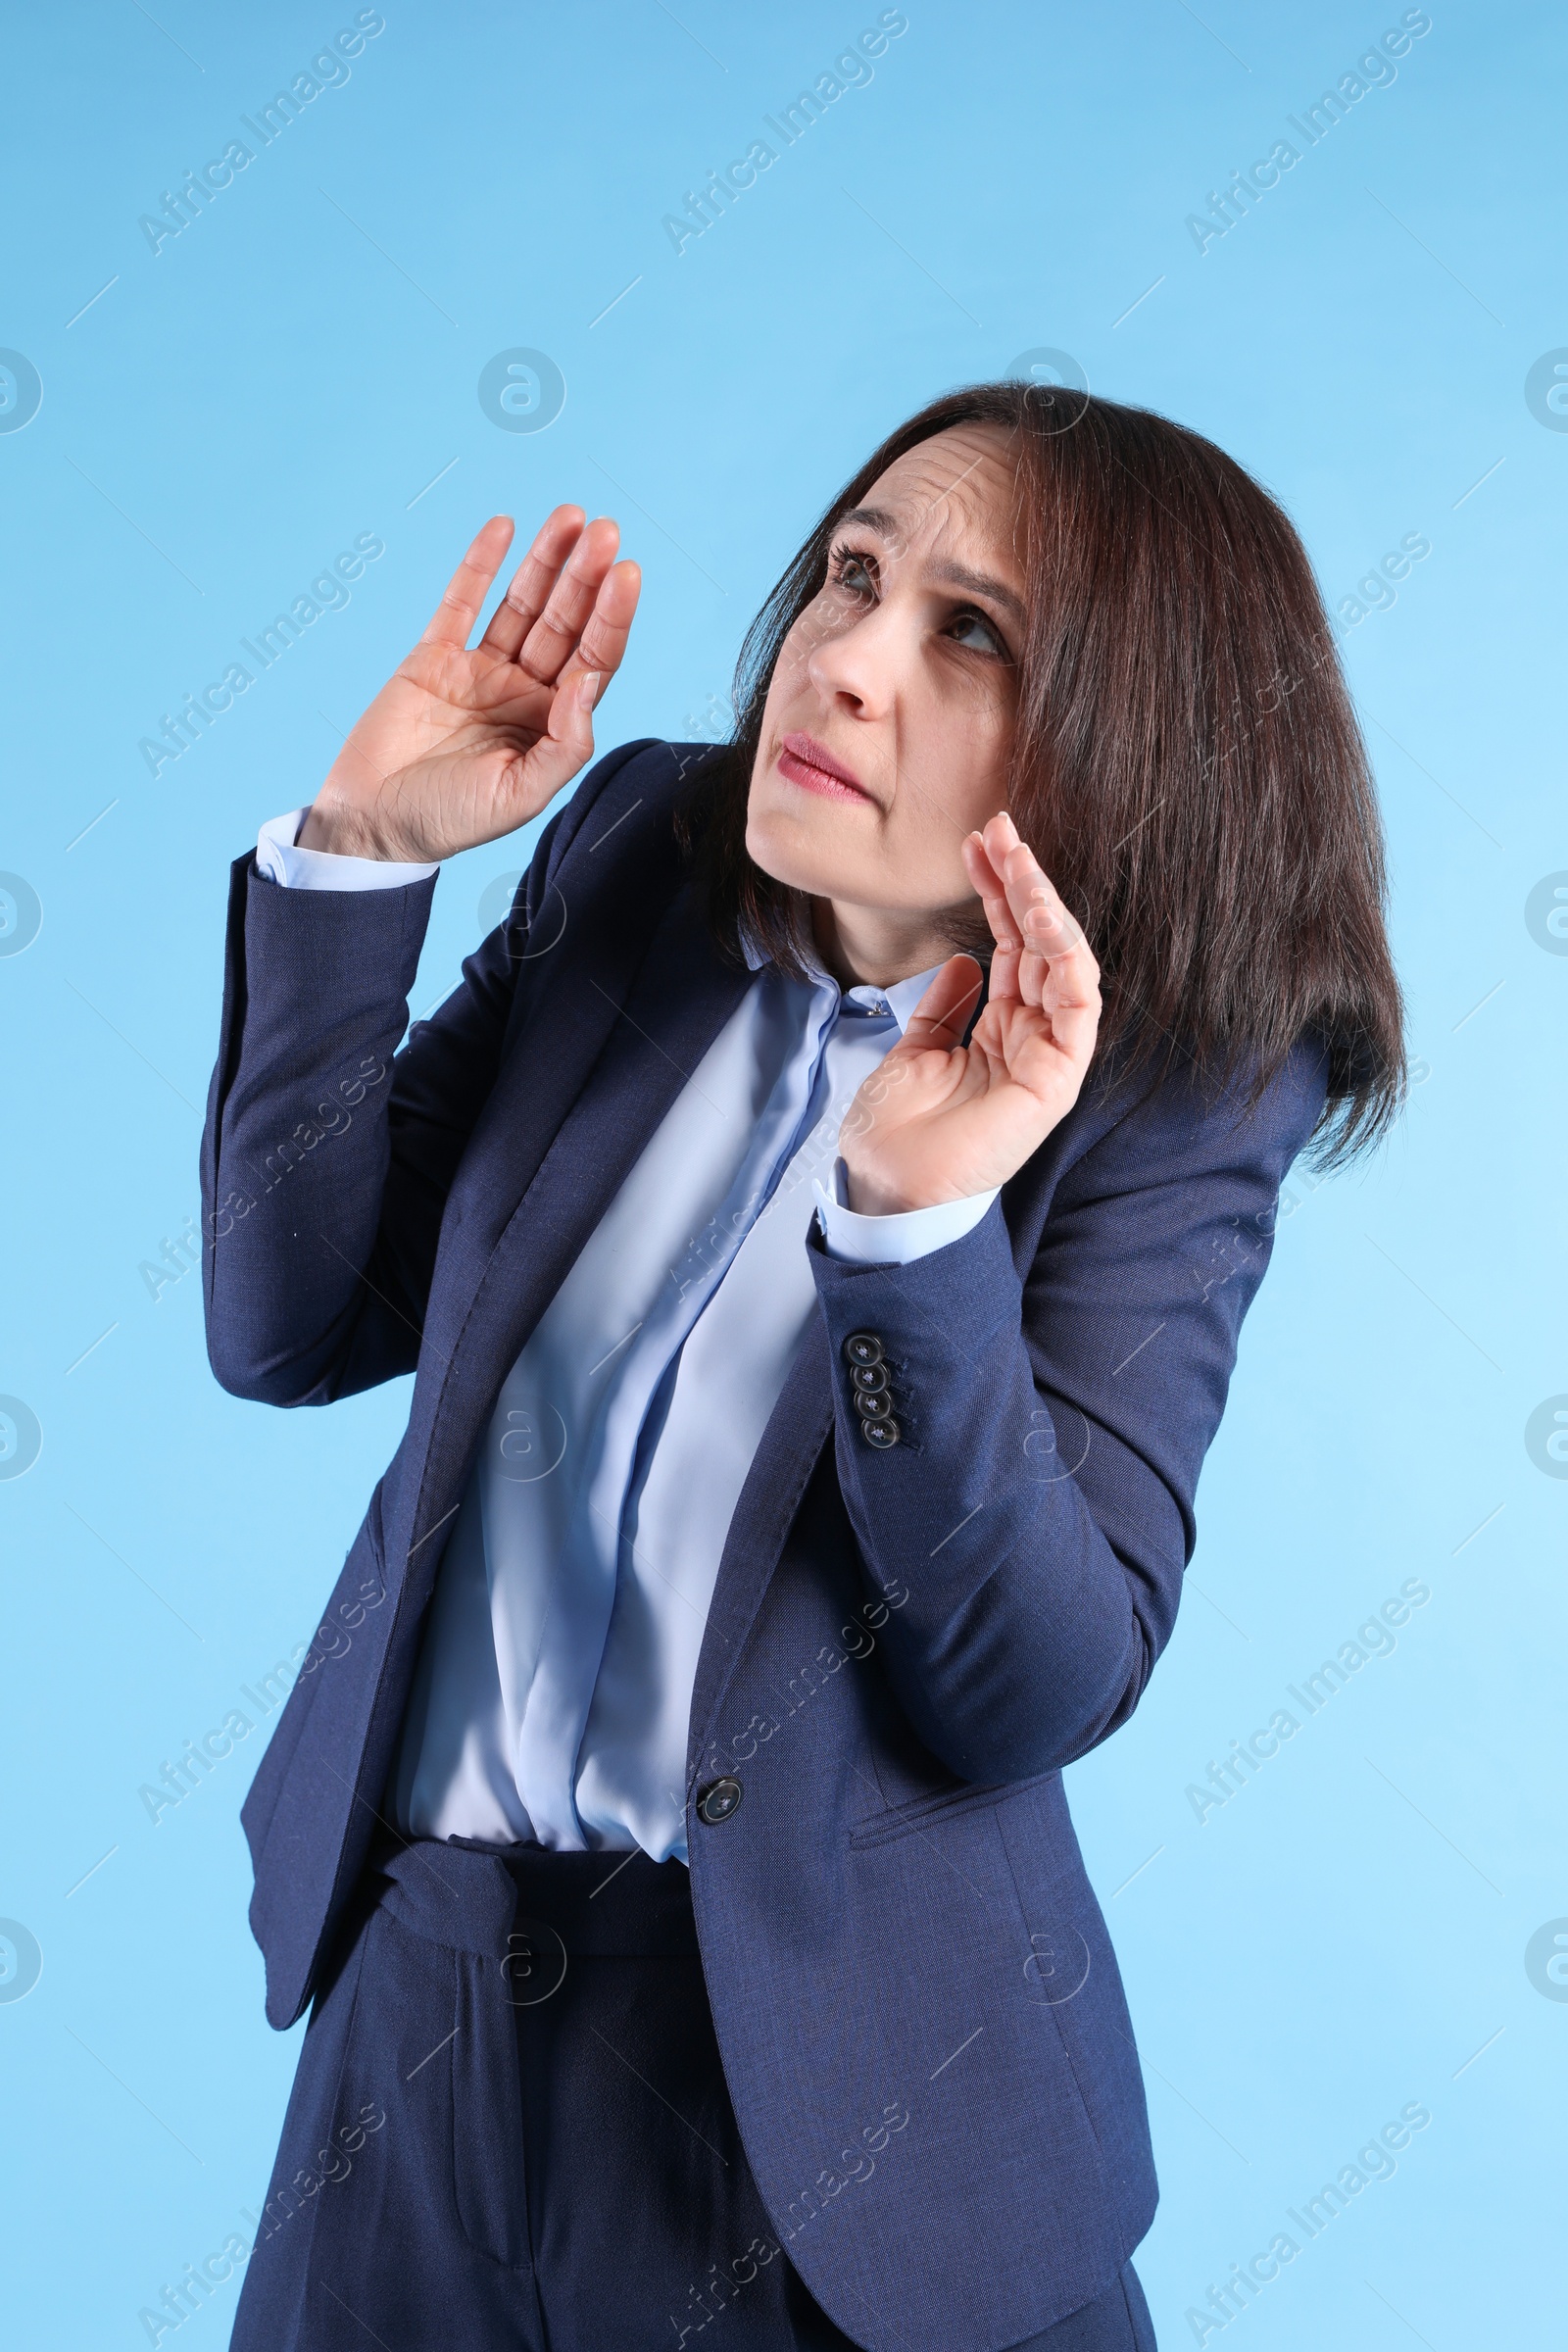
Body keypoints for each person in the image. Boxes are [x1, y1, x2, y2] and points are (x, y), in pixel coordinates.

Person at [202, 380, 1403, 2352]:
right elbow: (294, 1321)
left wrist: (915, 1237)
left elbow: (1029, 1674)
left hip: (832, 2114)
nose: (841, 664)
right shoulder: (632, 863)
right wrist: (354, 866)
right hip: (415, 2028)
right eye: (853, 574)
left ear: (1138, 752)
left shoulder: (1181, 1089)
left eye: (970, 634)